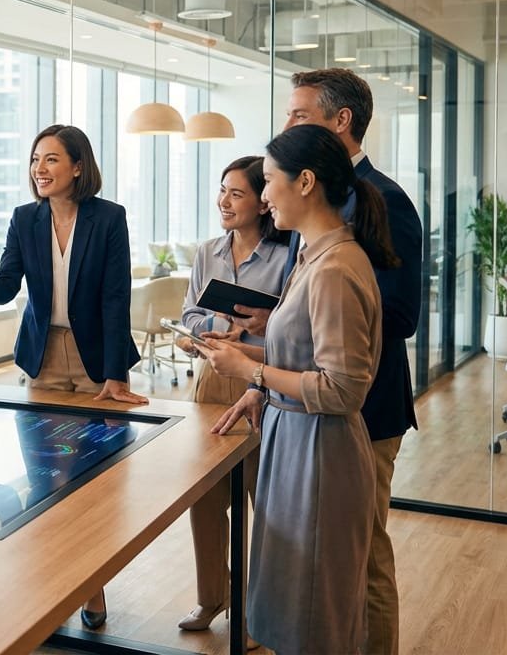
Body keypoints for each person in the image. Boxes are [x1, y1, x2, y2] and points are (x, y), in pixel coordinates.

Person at [234, 68, 422, 655]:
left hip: (357, 413)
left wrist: (270, 364)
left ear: (340, 122)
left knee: (359, 566)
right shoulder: (313, 216)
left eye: (298, 114)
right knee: (315, 576)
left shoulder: (379, 204)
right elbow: (316, 304)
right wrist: (280, 331)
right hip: (303, 407)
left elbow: (393, 315)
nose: (287, 122)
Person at [201, 123, 399, 654]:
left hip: (320, 453)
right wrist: (248, 363)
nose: (264, 196)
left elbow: (343, 389)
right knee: (293, 604)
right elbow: (305, 355)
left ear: (305, 182)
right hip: (294, 441)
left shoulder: (334, 267)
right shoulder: (314, 256)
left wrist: (252, 373)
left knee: (313, 613)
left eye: (268, 181)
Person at [0, 123, 143, 630]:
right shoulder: (24, 218)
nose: (39, 169)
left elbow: (116, 296)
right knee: (45, 477)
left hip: (95, 361)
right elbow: (7, 286)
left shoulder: (109, 217)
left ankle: (92, 588)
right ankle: (52, 587)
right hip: (43, 357)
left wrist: (115, 373)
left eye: (51, 159)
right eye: (35, 160)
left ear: (78, 166)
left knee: (93, 482)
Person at [173, 156, 288, 636]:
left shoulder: (285, 256)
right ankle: (211, 598)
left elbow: (290, 328)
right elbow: (189, 314)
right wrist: (218, 324)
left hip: (261, 383)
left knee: (264, 505)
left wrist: (249, 330)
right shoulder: (208, 252)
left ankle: (257, 614)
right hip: (210, 382)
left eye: (236, 193)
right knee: (204, 499)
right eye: (222, 190)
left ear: (262, 203)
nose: (224, 200)